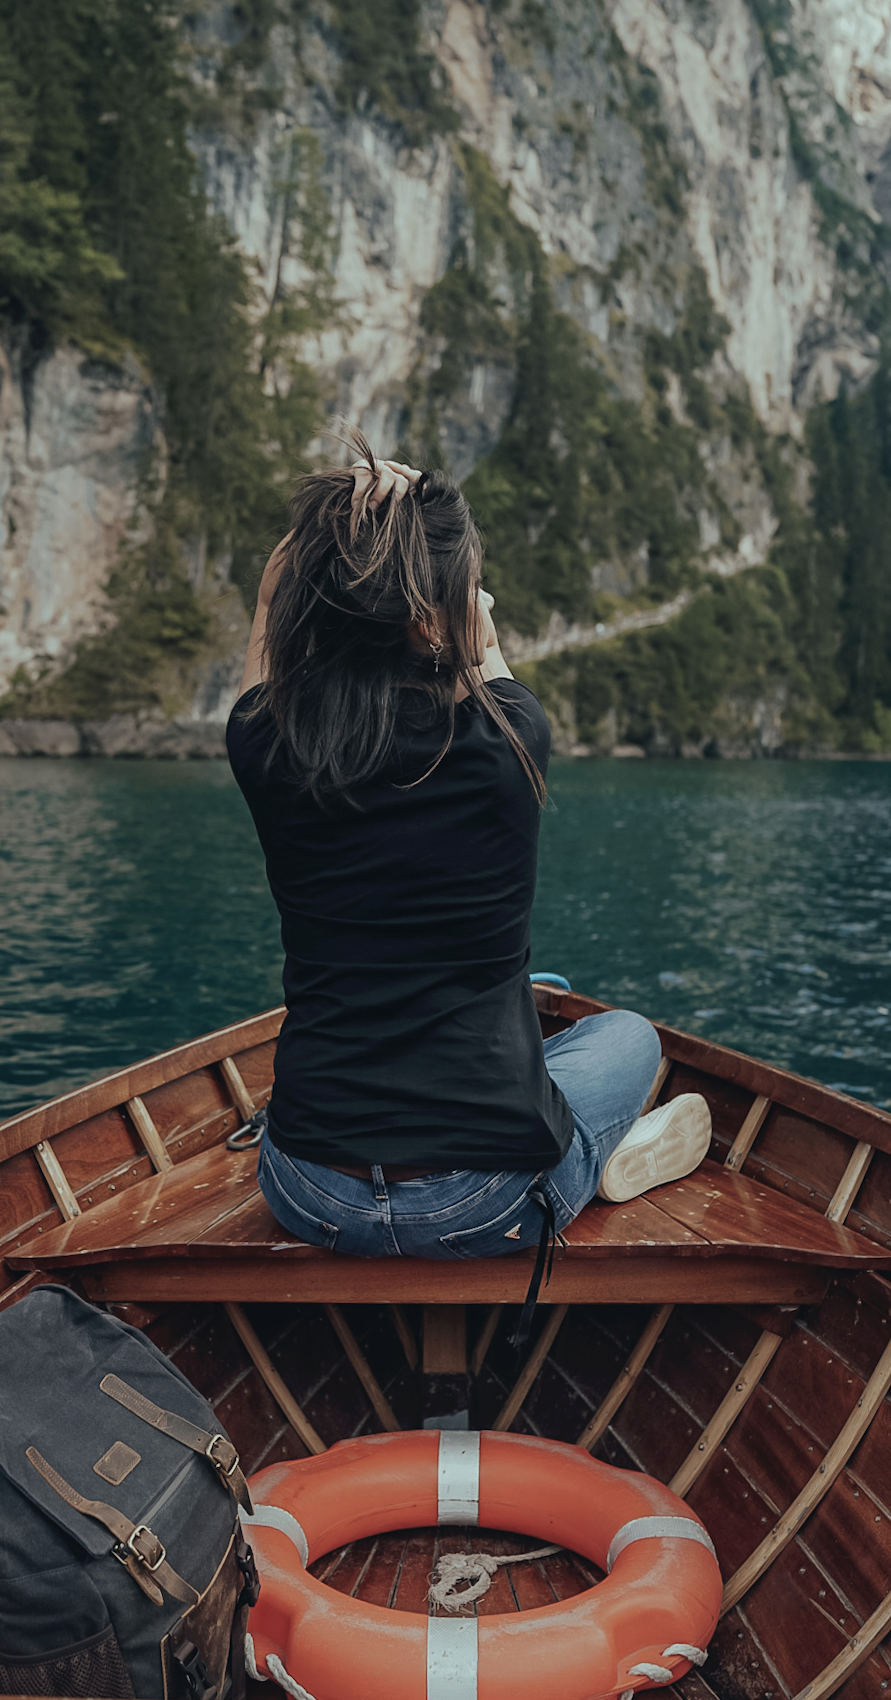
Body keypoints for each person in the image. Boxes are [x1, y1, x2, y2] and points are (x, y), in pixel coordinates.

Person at [225, 437, 711, 1335]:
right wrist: (468, 620)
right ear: (435, 619)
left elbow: (272, 651)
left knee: (538, 1019)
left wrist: (297, 565)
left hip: (307, 1187)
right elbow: (490, 672)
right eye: (467, 587)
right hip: (482, 1202)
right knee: (627, 1037)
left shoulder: (267, 747)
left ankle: (577, 1129)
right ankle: (600, 1160)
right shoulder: (511, 739)